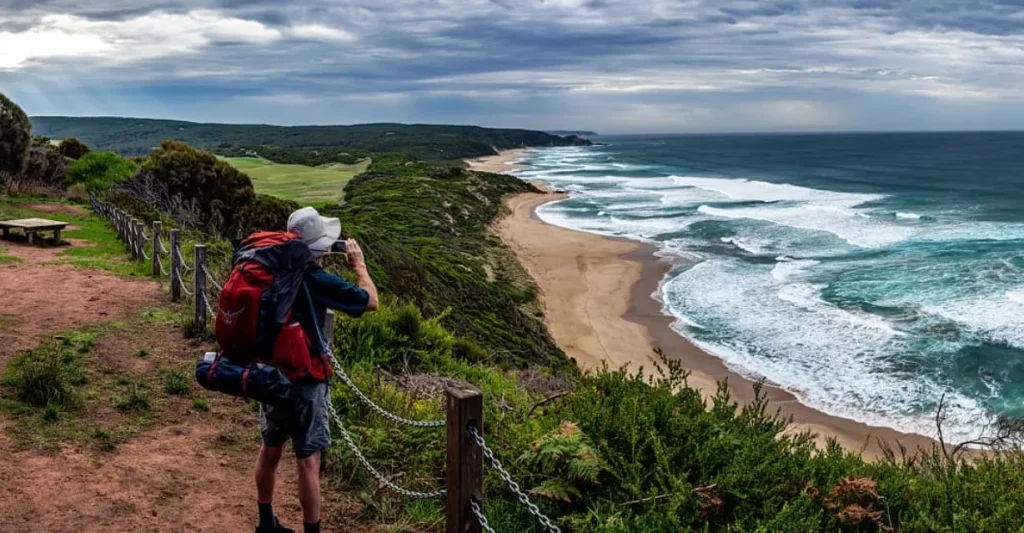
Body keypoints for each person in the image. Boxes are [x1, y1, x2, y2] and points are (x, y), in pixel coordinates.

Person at [254, 207, 379, 533]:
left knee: (269, 450)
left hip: (269, 374)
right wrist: (360, 266)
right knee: (308, 461)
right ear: (318, 246)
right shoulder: (315, 278)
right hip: (306, 379)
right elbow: (370, 301)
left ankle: (266, 523)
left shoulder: (269, 267)